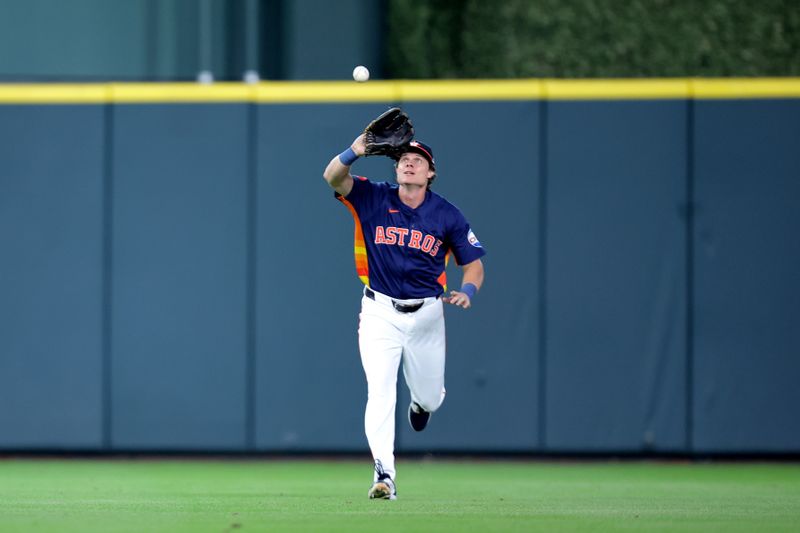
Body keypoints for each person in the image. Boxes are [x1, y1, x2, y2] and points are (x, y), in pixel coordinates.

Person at [323, 127, 486, 501]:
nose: (409, 163)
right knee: (379, 391)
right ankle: (384, 474)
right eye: (403, 159)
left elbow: (473, 265)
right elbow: (332, 176)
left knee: (430, 397)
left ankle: (420, 404)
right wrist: (354, 150)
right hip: (379, 311)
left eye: (418, 160)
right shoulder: (372, 196)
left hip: (427, 315)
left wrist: (469, 291)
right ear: (396, 169)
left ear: (430, 173)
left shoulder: (447, 214)